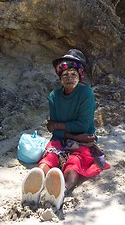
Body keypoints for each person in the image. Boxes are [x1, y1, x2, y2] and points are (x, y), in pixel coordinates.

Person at [22, 49, 110, 210]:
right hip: (68, 138)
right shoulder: (54, 96)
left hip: (84, 140)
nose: (69, 77)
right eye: (65, 74)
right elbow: (54, 129)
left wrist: (58, 127)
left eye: (73, 74)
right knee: (50, 157)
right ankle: (36, 184)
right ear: (60, 78)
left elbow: (82, 125)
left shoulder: (86, 93)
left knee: (75, 162)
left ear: (80, 76)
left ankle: (62, 190)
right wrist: (70, 134)